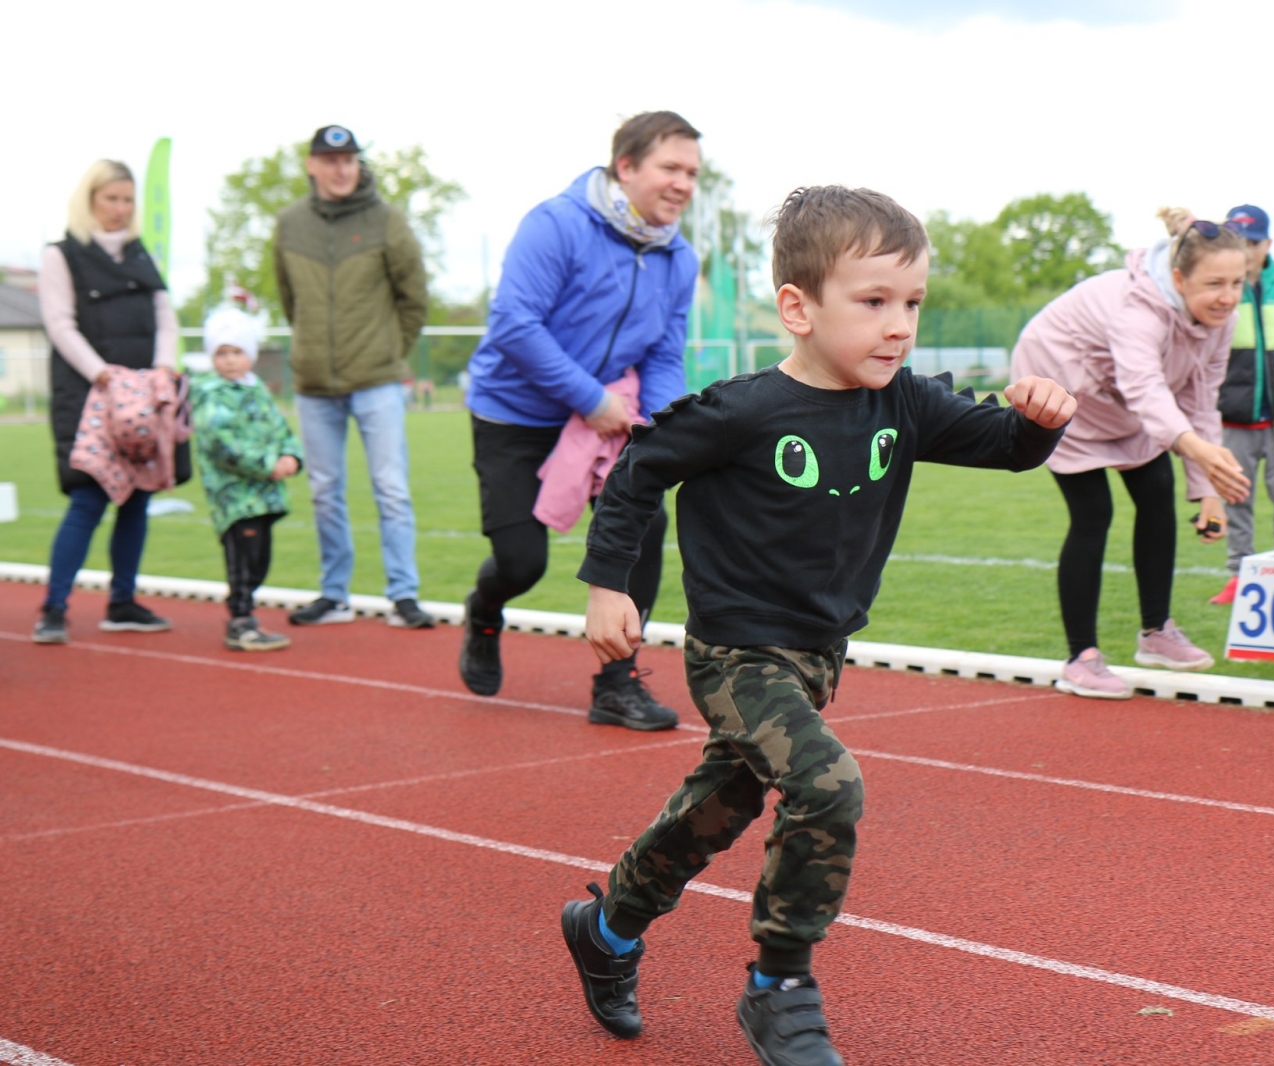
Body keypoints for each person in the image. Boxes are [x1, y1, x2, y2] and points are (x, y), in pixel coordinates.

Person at [559, 187, 1074, 1066]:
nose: (899, 325)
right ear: (798, 307)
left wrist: (1037, 424)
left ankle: (607, 928)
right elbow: (640, 469)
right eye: (873, 302)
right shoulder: (743, 411)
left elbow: (1003, 445)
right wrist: (610, 586)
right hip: (736, 653)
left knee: (715, 811)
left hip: (817, 655)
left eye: (911, 303)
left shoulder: (903, 405)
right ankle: (780, 986)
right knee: (829, 787)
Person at [457, 111, 701, 728]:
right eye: (670, 168)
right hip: (514, 413)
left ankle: (616, 684)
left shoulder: (679, 259)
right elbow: (514, 324)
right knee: (521, 563)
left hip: (610, 414)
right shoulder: (556, 225)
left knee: (643, 528)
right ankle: (485, 610)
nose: (683, 184)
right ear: (626, 167)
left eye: (693, 173)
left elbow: (662, 354)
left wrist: (660, 428)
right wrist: (591, 399)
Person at [1011, 209, 1253, 700]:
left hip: (1123, 399)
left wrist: (1207, 492)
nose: (1228, 296)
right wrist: (1197, 451)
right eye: (1215, 283)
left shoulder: (1219, 317)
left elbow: (1202, 399)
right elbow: (1145, 388)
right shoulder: (1136, 309)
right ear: (1180, 278)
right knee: (1093, 512)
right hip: (1060, 383)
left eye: (1238, 282)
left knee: (1158, 490)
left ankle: (1156, 633)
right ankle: (1081, 658)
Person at [273, 124, 434, 630]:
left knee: (391, 489)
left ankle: (404, 594)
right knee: (323, 491)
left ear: (358, 164)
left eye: (348, 160)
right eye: (329, 159)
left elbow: (415, 299)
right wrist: (312, 350)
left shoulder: (388, 220)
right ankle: (334, 594)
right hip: (314, 384)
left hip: (377, 381)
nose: (340, 169)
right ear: (311, 165)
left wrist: (387, 352)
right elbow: (289, 300)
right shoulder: (289, 224)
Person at [33, 160, 177, 644]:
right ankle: (54, 607)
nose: (119, 209)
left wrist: (162, 372)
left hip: (144, 399)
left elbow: (166, 318)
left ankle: (123, 601)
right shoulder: (62, 255)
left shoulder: (141, 255)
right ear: (90, 199)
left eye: (127, 200)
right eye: (110, 198)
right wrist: (104, 376)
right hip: (91, 397)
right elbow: (60, 324)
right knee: (89, 498)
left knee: (138, 499)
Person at [1208, 204, 1274, 605]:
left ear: (1268, 243)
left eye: (1253, 242)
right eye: (1238, 241)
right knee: (1237, 501)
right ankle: (1239, 575)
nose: (1246, 250)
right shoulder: (1220, 293)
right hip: (1235, 421)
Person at [192, 307, 304, 652]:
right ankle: (240, 620)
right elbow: (220, 442)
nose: (229, 360)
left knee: (260, 559)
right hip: (235, 495)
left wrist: (291, 456)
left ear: (250, 355)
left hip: (266, 494)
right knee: (242, 559)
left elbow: (280, 428)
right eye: (222, 353)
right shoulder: (211, 394)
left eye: (237, 352)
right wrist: (267, 464)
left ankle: (245, 612)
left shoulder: (258, 390)